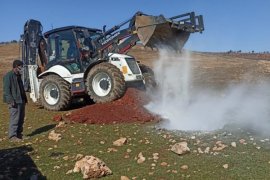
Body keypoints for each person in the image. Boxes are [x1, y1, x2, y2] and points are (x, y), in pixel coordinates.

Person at [3, 60, 28, 142]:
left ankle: (19, 134)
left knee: (21, 118)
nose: (21, 68)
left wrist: (25, 99)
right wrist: (10, 100)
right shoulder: (8, 76)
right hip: (14, 101)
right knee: (14, 118)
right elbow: (6, 90)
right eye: (20, 66)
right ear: (16, 67)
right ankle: (12, 136)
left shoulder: (18, 76)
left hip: (21, 100)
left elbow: (21, 89)